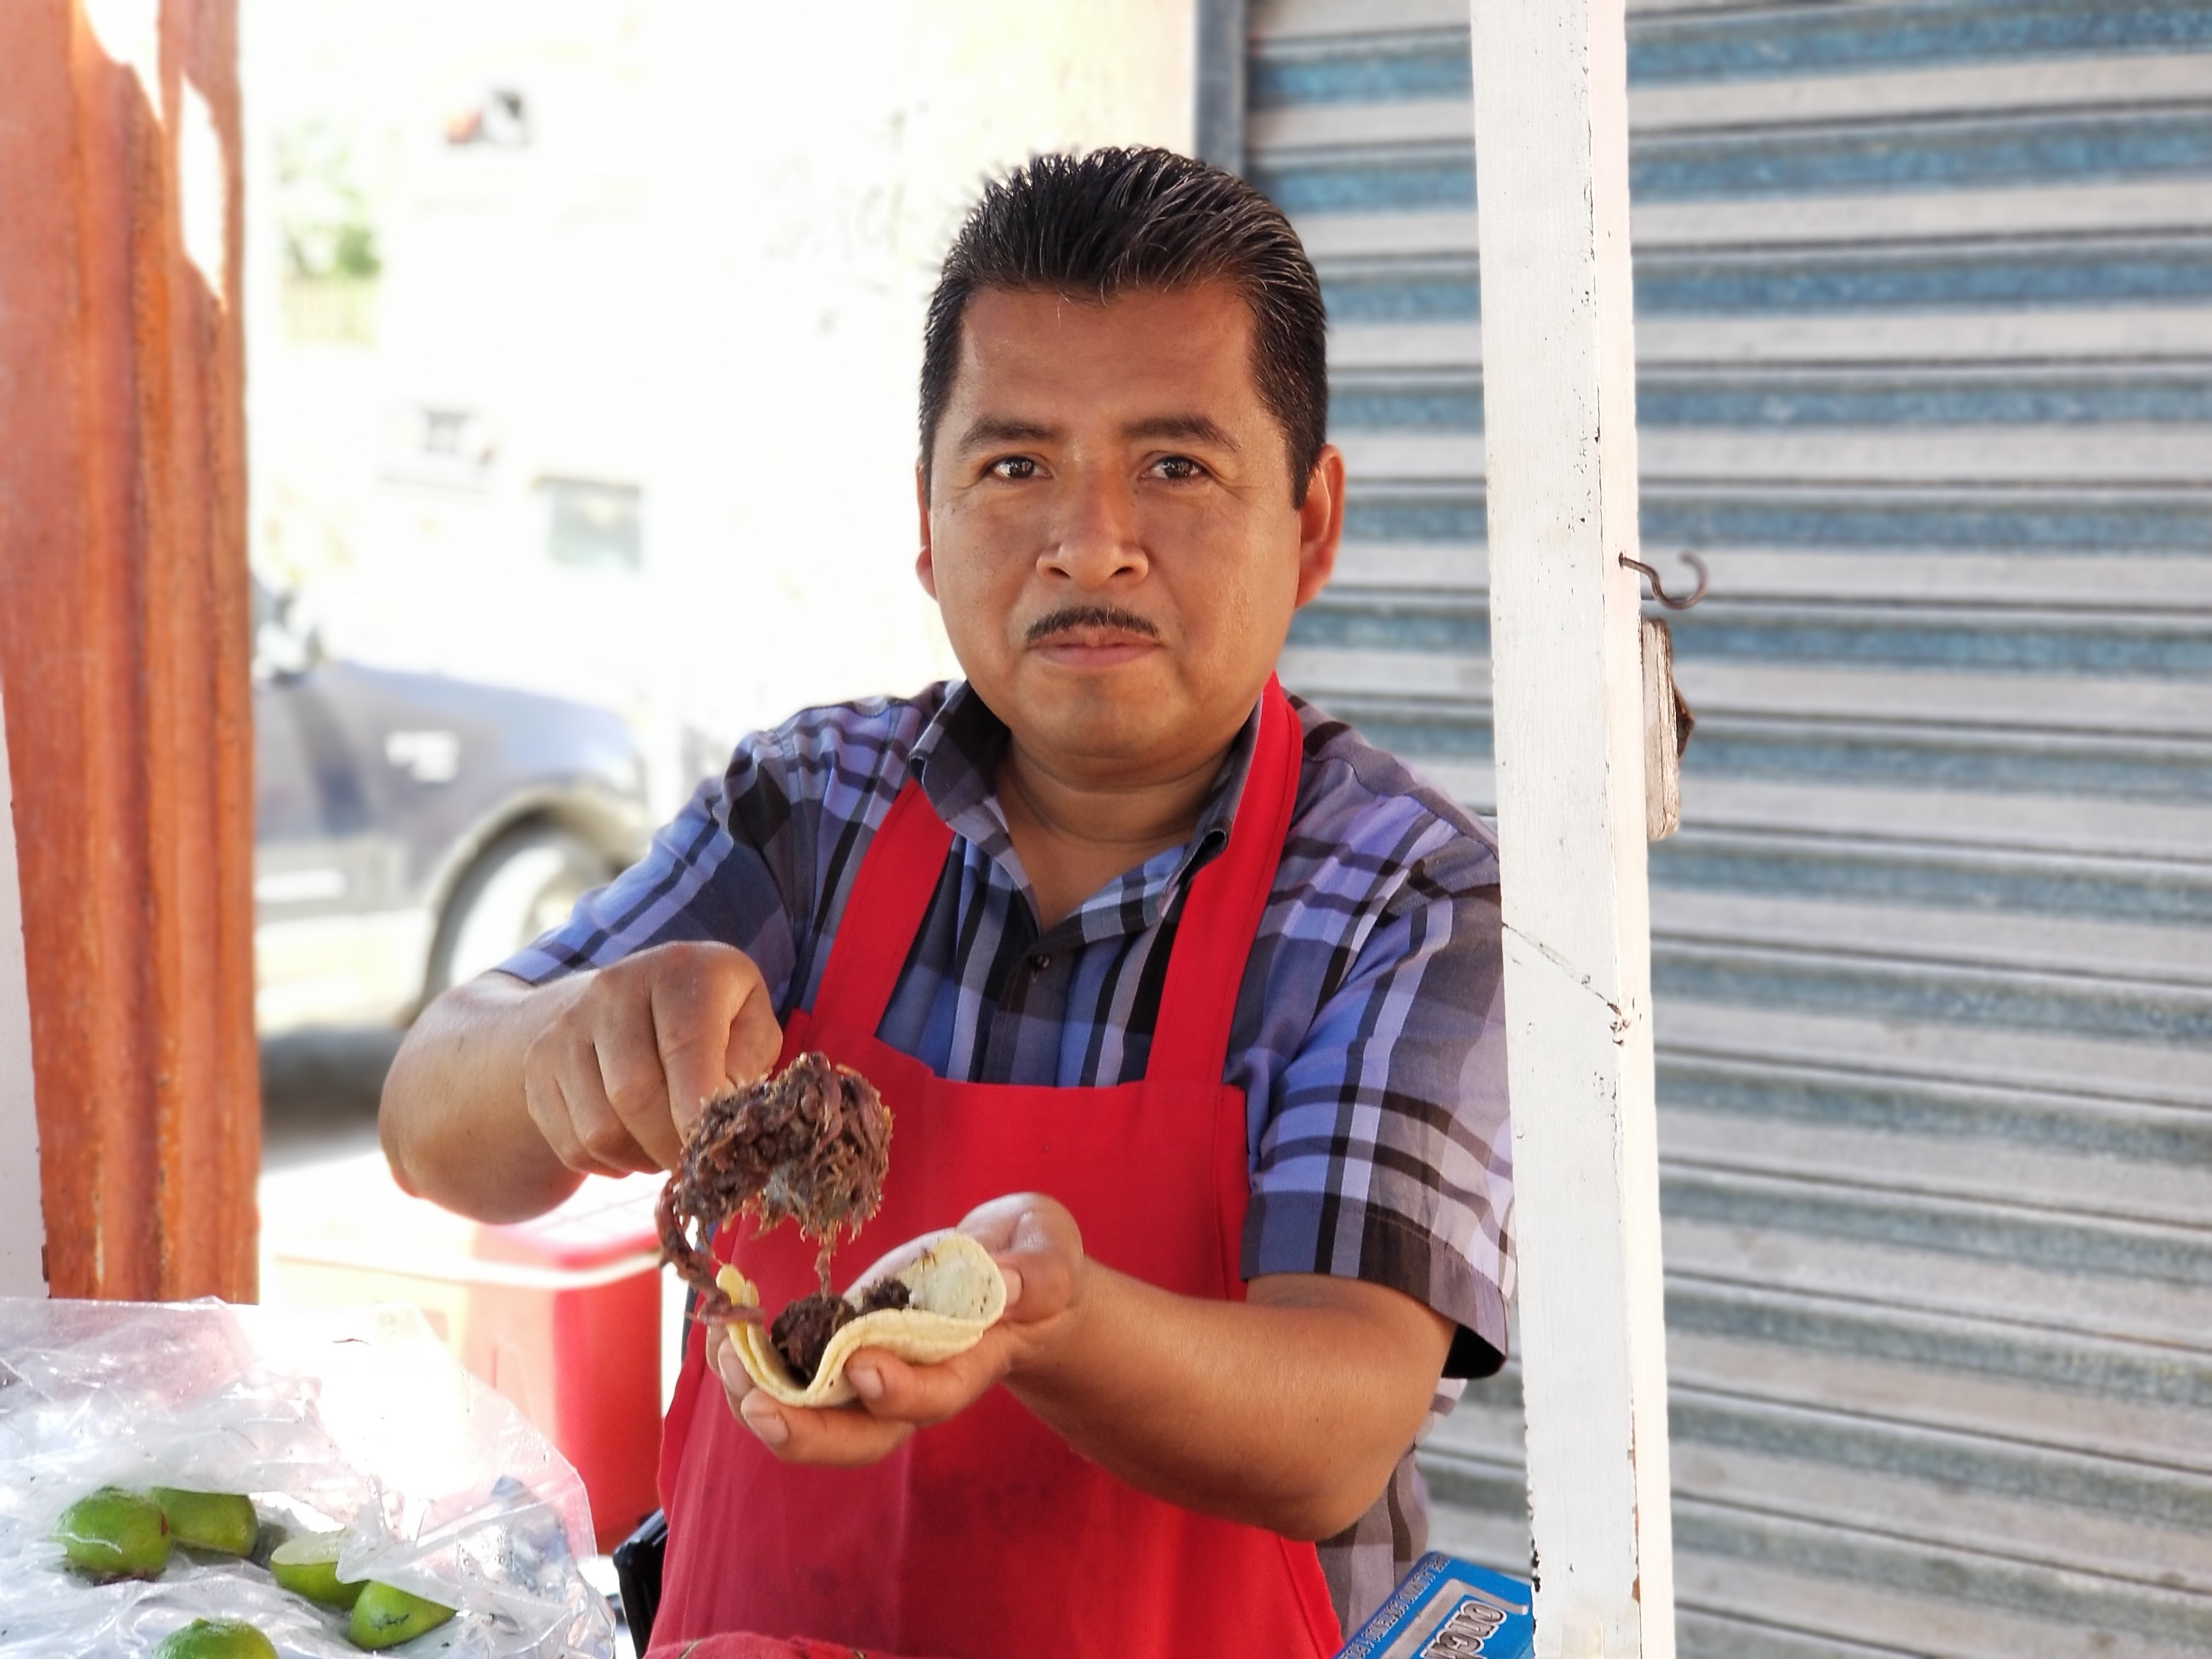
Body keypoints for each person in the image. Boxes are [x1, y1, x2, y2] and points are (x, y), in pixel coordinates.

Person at [380, 146, 1511, 1658]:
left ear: (1313, 523)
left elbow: (1335, 1428)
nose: (1089, 541)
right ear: (927, 520)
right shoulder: (807, 811)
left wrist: (1053, 1319)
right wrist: (562, 1049)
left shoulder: (1401, 894)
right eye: (1015, 464)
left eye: (1176, 465)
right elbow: (425, 1119)